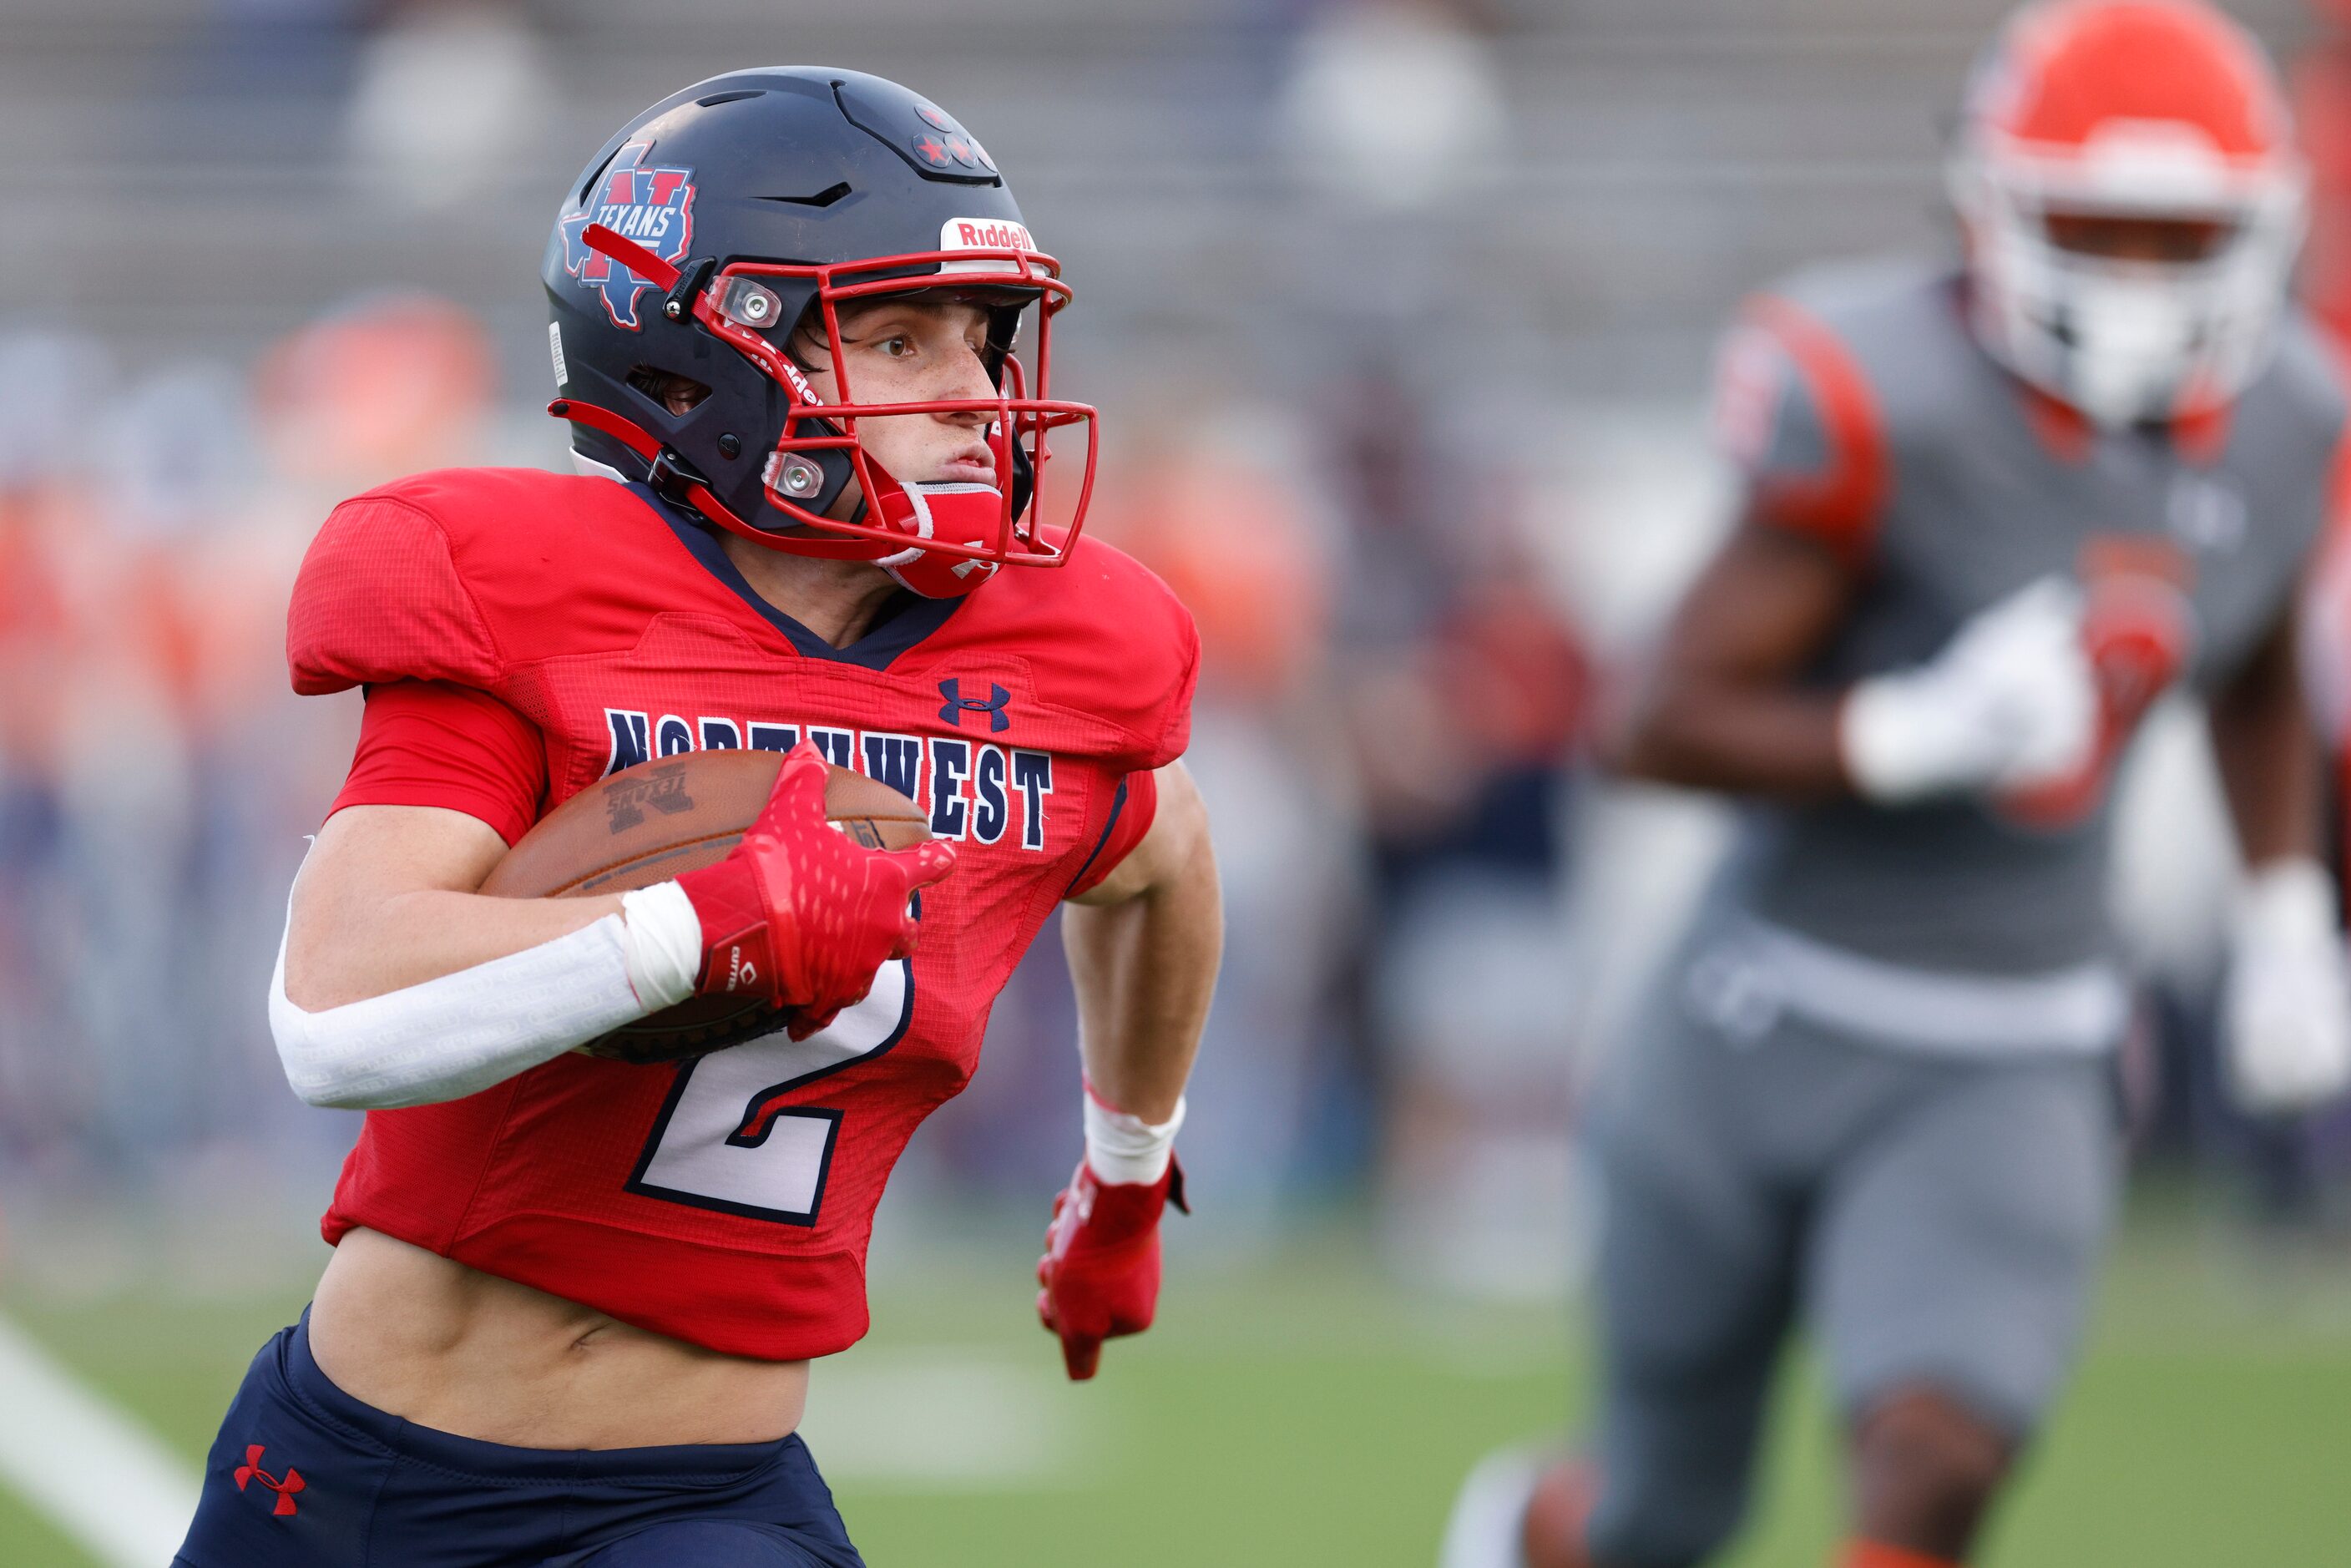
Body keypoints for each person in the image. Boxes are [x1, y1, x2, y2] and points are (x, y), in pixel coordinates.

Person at [174, 68, 1220, 1567]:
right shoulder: (525, 589)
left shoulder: (1058, 659)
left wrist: (1126, 1174)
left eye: (984, 343)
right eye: (901, 338)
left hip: (695, 1503)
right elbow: (332, 1015)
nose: (982, 397)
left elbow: (1167, 860)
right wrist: (702, 924)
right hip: (344, 1466)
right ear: (695, 362)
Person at [1443, 4, 2351, 1566]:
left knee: (1937, 1461)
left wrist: (2282, 918)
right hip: (1764, 1010)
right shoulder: (1883, 389)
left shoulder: (2293, 413)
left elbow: (2254, 641)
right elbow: (1648, 721)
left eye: (2178, 236)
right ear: (1991, 208)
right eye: (2096, 229)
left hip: (2015, 1040)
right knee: (1662, 1514)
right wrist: (1905, 732)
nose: (2137, 279)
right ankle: (1519, 1534)